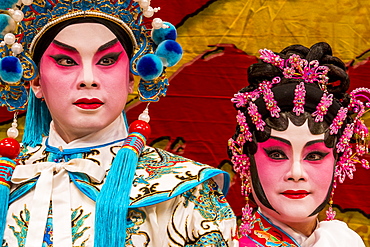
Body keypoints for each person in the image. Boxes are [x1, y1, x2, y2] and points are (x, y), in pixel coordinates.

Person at [0, 0, 237, 246]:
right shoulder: (8, 178)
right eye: (67, 61)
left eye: (107, 60)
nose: (88, 80)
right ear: (36, 82)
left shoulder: (186, 190)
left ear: (131, 79)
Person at [228, 42, 369, 246]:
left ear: (338, 163)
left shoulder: (343, 241)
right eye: (276, 154)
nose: (296, 173)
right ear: (244, 161)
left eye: (314, 156)